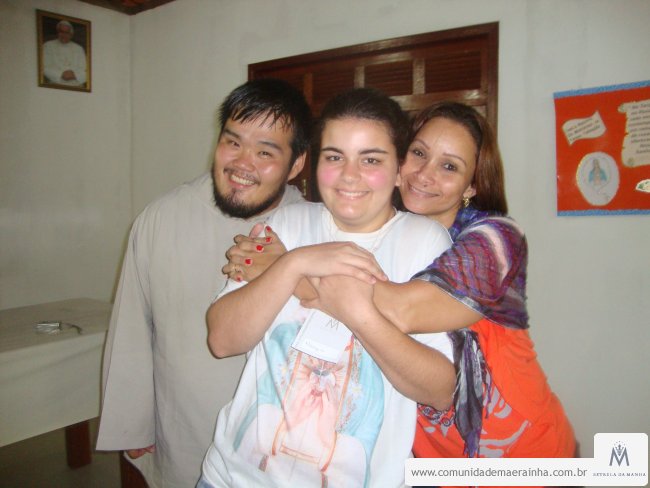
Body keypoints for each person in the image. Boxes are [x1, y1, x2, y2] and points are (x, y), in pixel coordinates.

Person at [226, 102, 576, 468]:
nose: (424, 175)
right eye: (419, 154)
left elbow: (400, 309)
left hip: (520, 451)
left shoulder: (495, 238)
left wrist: (285, 269)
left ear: (472, 184)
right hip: (428, 457)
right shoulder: (392, 233)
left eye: (449, 166)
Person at [199, 88, 456, 488]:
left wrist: (355, 311)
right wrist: (295, 262)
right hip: (233, 478)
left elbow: (440, 390)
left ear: (399, 169)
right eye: (334, 157)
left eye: (370, 159)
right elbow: (222, 340)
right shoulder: (286, 224)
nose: (349, 175)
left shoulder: (425, 243)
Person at [96, 78, 312, 488]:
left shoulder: (314, 229)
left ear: (297, 163)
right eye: (233, 142)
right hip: (184, 429)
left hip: (281, 447)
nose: (242, 163)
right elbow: (132, 326)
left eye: (265, 152)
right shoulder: (161, 218)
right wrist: (132, 424)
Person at [42, 20, 87, 86]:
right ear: (58, 32)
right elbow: (43, 67)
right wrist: (60, 74)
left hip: (76, 85)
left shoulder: (79, 48)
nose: (64, 35)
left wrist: (74, 75)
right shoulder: (48, 46)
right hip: (55, 84)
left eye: (67, 32)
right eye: (61, 32)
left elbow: (86, 71)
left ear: (71, 34)